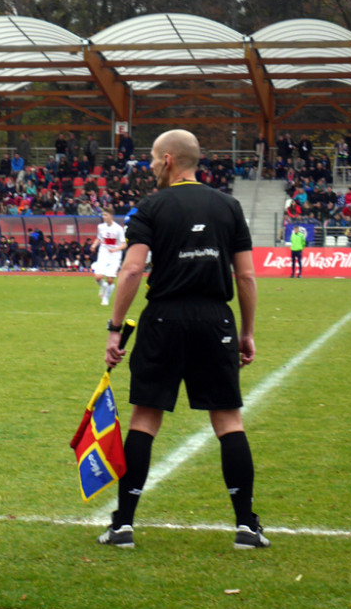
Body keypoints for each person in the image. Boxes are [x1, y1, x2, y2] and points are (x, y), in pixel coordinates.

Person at [98, 129, 268, 550]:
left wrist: (115, 328)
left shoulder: (150, 207)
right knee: (228, 420)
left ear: (169, 160)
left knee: (145, 418)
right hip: (215, 320)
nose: (151, 165)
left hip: (163, 320)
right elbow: (245, 275)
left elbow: (133, 270)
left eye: (154, 159)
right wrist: (246, 332)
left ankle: (123, 525)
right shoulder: (228, 205)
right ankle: (246, 525)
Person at [89, 208, 127, 306]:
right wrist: (93, 246)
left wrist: (115, 249)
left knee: (110, 279)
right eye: (103, 215)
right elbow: (99, 238)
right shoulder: (101, 227)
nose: (103, 217)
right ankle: (103, 286)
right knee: (98, 277)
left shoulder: (118, 229)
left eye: (105, 215)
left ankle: (106, 298)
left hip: (115, 255)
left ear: (111, 216)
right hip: (103, 253)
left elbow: (124, 244)